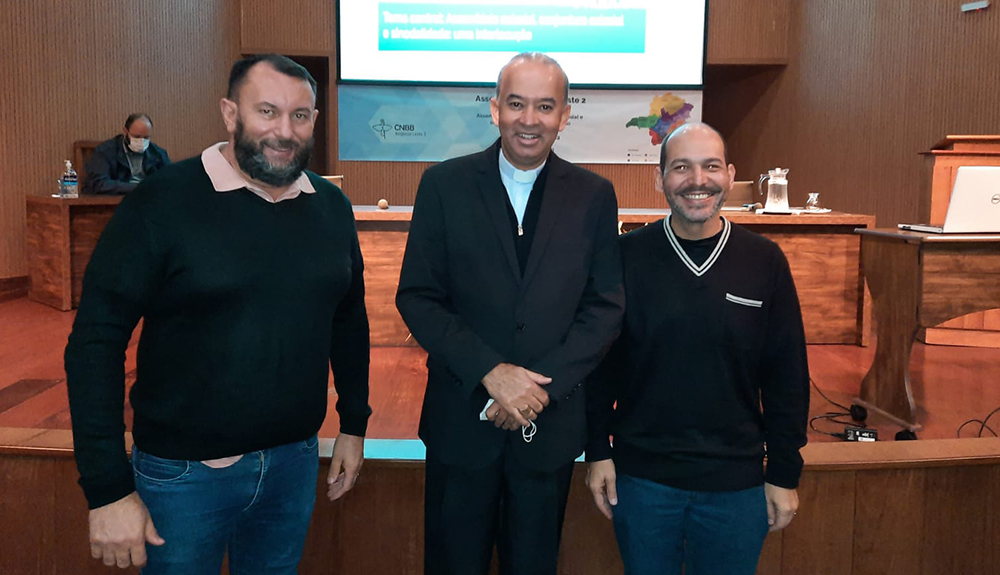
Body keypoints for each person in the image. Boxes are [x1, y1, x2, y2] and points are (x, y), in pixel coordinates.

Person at [65, 54, 370, 574]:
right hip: (182, 479)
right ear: (230, 113)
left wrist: (354, 423)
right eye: (267, 111)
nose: (284, 131)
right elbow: (96, 341)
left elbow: (348, 320)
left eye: (299, 115)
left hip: (294, 464)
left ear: (314, 121)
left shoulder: (331, 207)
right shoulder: (162, 201)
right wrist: (107, 488)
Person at [395, 52, 625, 575]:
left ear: (565, 115)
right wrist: (491, 373)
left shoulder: (594, 196)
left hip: (548, 431)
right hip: (461, 425)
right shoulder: (443, 185)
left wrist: (537, 389)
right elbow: (418, 297)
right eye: (517, 104)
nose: (529, 119)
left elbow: (604, 308)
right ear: (495, 108)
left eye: (545, 106)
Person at [585, 123, 810, 575]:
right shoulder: (625, 256)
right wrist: (596, 450)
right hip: (642, 480)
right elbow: (600, 366)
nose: (697, 180)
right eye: (681, 167)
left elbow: (786, 375)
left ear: (730, 175)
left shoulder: (764, 260)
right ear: (660, 178)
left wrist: (784, 471)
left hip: (737, 484)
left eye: (710, 166)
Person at [82, 113, 171, 194]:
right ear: (125, 132)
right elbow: (99, 184)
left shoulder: (158, 154)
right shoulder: (105, 151)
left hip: (149, 200)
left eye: (146, 137)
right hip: (117, 199)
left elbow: (169, 182)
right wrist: (138, 188)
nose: (142, 141)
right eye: (137, 137)